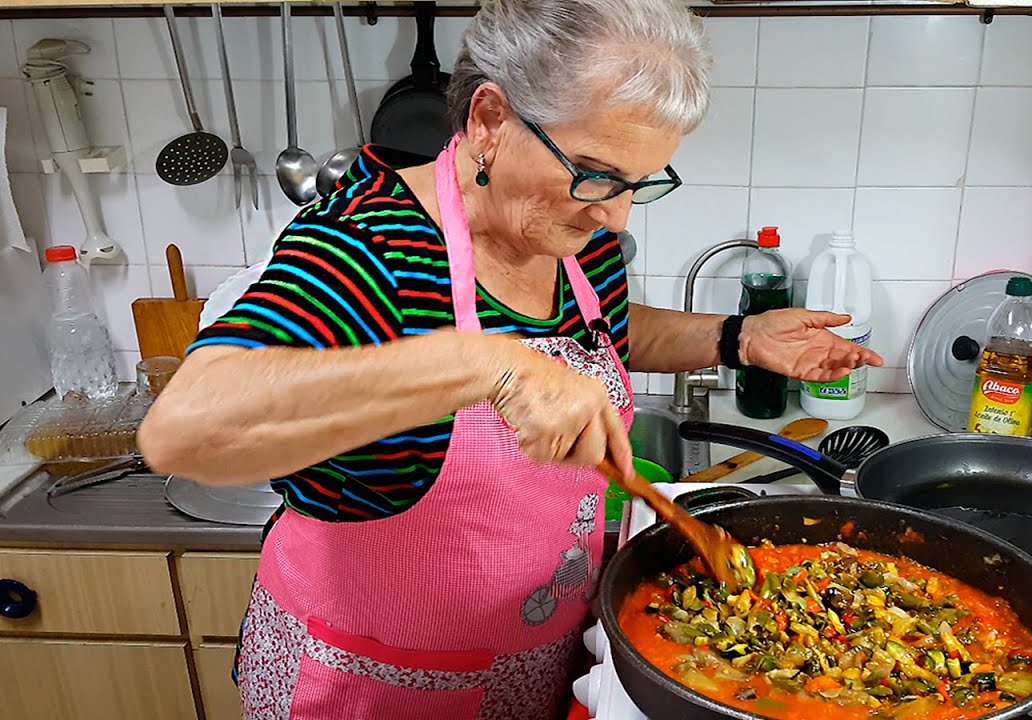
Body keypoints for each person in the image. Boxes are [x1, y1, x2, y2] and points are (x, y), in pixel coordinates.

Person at [138, 0, 882, 717]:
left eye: (638, 183)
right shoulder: (366, 247)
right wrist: (482, 366)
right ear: (490, 118)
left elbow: (603, 334)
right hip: (369, 690)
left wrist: (736, 337)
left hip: (537, 669)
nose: (613, 213)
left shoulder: (569, 237)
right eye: (593, 170)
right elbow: (183, 430)